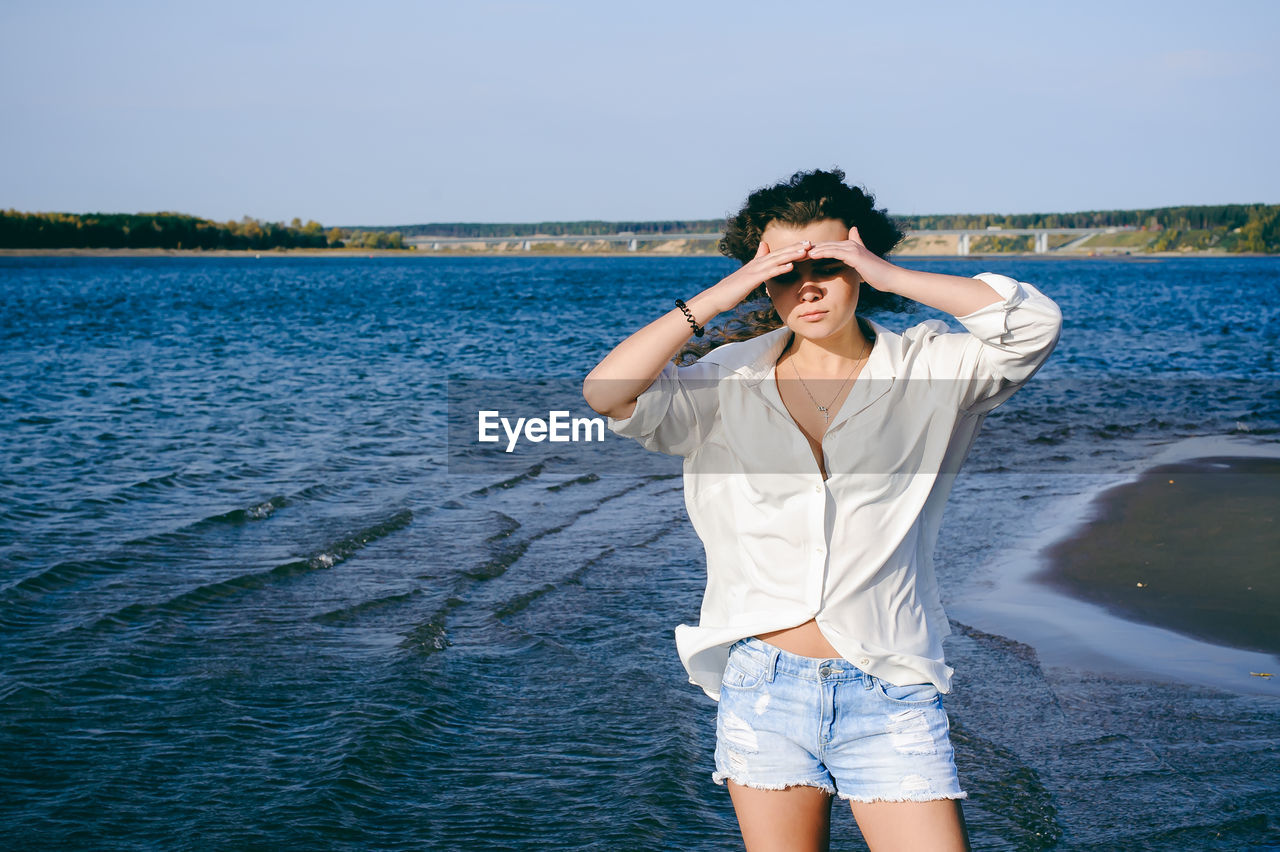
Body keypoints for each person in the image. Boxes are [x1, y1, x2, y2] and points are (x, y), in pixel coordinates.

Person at [581, 168, 1063, 851]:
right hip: (764, 688)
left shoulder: (931, 370)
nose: (806, 286)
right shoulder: (726, 379)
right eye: (782, 273)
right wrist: (719, 297)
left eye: (828, 265)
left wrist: (888, 273)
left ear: (859, 264)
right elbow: (606, 393)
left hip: (890, 683)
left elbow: (1031, 324)